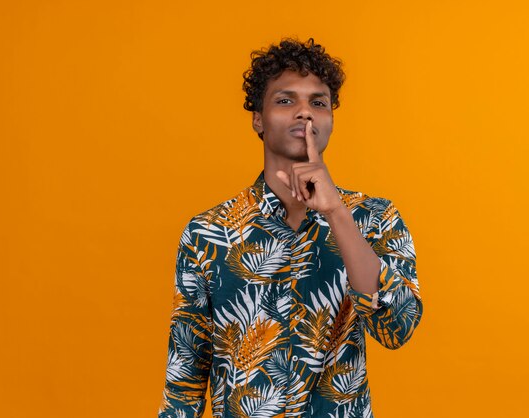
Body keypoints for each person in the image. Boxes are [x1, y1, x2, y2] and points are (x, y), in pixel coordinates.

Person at [158, 38, 423, 418]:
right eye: (286, 100)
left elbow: (396, 328)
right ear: (258, 119)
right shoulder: (208, 232)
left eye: (319, 102)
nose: (305, 113)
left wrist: (336, 212)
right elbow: (184, 377)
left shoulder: (374, 217)